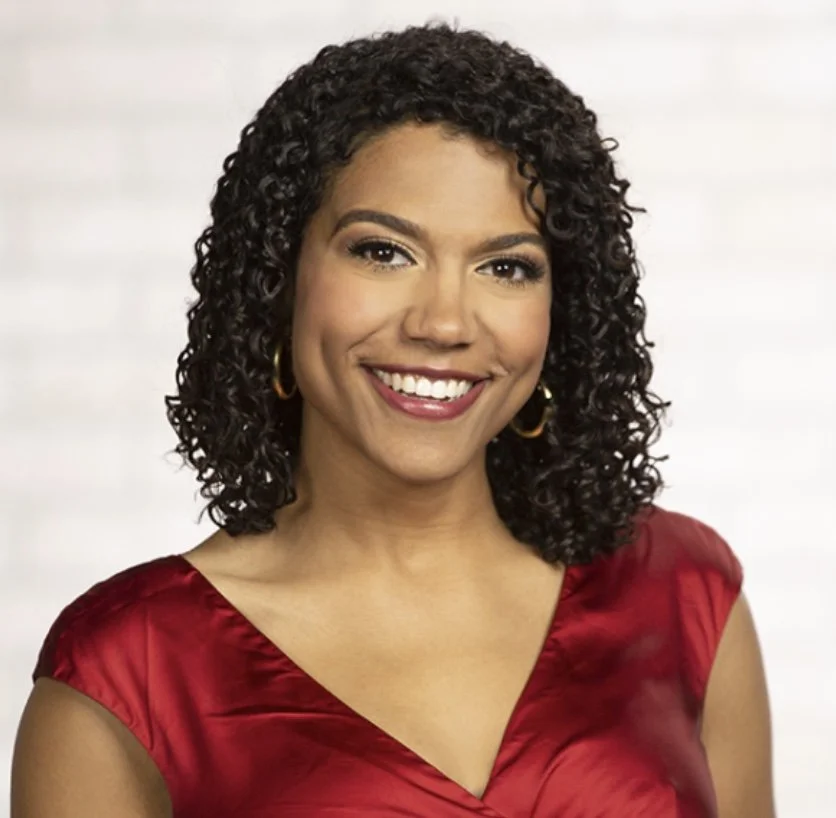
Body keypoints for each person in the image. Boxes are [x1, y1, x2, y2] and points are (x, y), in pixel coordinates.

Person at [10, 22, 775, 818]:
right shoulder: (127, 675)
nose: (444, 323)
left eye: (506, 266)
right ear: (279, 277)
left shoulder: (680, 593)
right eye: (383, 252)